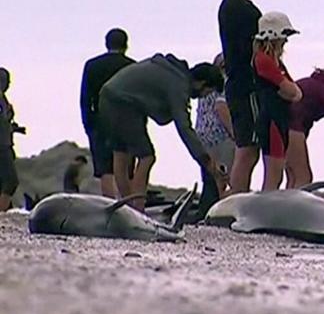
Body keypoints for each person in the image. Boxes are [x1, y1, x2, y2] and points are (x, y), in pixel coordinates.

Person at [98, 54, 228, 211]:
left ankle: (126, 209)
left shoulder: (173, 72)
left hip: (109, 96)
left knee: (121, 155)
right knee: (147, 157)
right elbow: (184, 128)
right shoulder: (178, 84)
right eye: (206, 92)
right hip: (123, 103)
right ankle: (137, 210)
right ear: (201, 83)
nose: (202, 96)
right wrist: (206, 161)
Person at [218, 0, 265, 193]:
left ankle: (233, 201)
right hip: (248, 87)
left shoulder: (227, 7)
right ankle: (235, 203)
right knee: (248, 150)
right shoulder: (245, 11)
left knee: (245, 148)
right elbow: (257, 53)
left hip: (236, 85)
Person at [80, 28, 135, 198]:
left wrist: (88, 123)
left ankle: (109, 202)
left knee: (105, 168)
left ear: (106, 43)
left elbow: (85, 98)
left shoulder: (92, 65)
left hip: (100, 118)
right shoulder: (132, 66)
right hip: (126, 120)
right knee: (125, 167)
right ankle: (126, 203)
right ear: (126, 44)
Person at [252, 11, 303, 191]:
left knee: (279, 175)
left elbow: (296, 92)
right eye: (284, 36)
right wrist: (287, 91)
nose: (286, 41)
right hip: (271, 120)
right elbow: (291, 90)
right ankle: (263, 216)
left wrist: (288, 91)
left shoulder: (277, 63)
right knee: (273, 177)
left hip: (281, 119)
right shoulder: (263, 60)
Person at [194, 53, 236, 219]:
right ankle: (222, 214)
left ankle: (206, 212)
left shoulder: (206, 86)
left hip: (202, 136)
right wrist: (234, 134)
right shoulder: (225, 84)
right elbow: (221, 107)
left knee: (210, 180)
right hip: (219, 135)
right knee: (227, 179)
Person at [0, 68, 25, 212]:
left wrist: (14, 128)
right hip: (2, 145)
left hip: (5, 142)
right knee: (10, 181)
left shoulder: (3, 99)